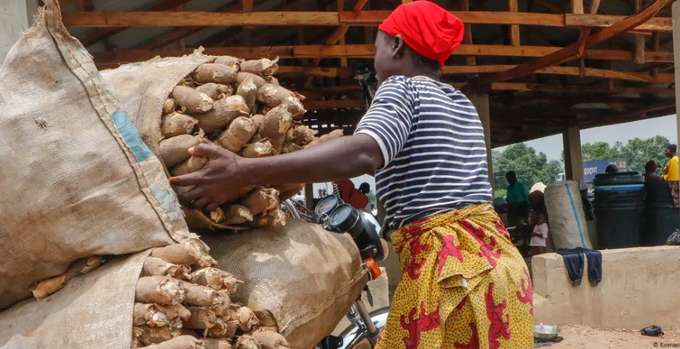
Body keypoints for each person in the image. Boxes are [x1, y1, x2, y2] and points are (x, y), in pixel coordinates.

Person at [169, 2, 533, 347]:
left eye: (376, 49)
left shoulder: (401, 89)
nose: (374, 64)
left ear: (396, 45)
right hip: (501, 269)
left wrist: (244, 170)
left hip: (450, 270)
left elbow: (365, 151)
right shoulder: (459, 102)